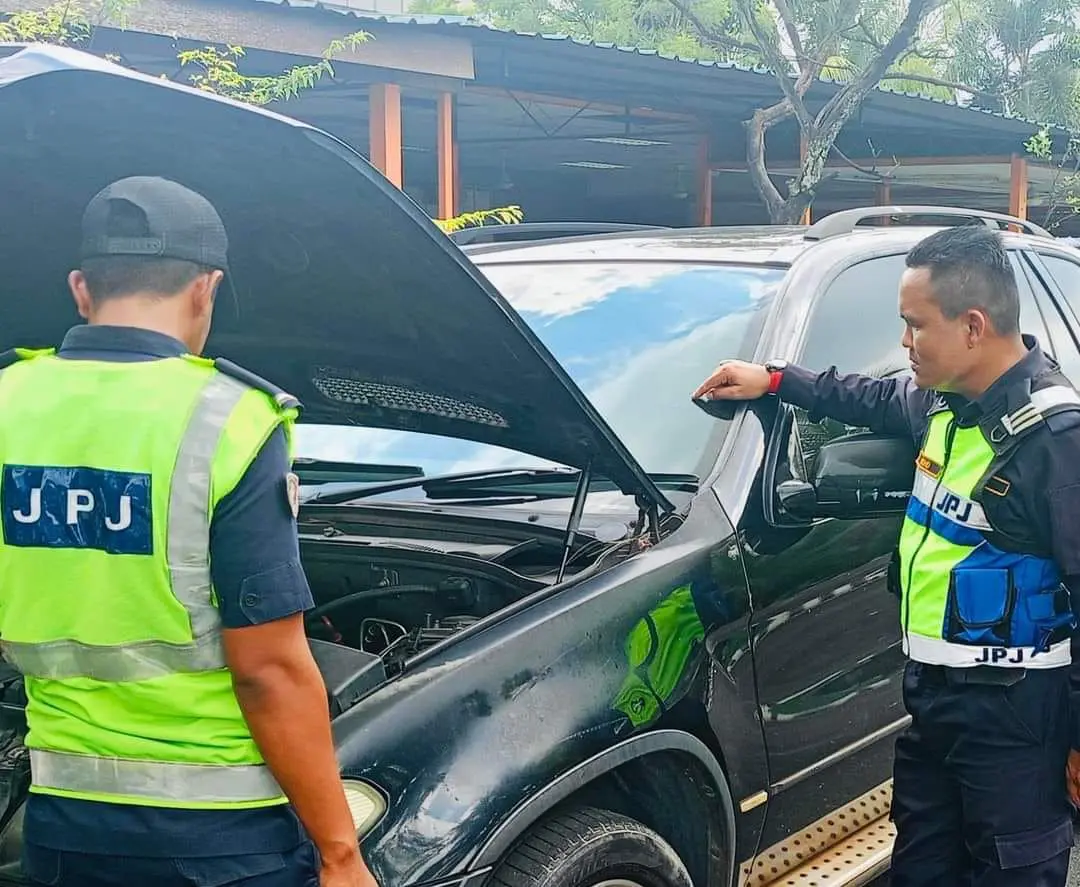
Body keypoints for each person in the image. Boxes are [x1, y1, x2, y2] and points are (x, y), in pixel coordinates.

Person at [0, 176, 379, 887]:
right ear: (206, 289)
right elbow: (267, 668)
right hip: (221, 839)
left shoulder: (7, 403)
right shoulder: (230, 418)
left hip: (58, 828)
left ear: (82, 289)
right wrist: (340, 851)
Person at [693, 225, 1080, 887]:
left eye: (914, 325)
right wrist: (776, 379)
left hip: (1018, 714)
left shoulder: (1055, 439)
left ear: (973, 326)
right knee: (921, 866)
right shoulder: (942, 404)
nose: (903, 343)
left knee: (1012, 870)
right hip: (934, 700)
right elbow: (864, 396)